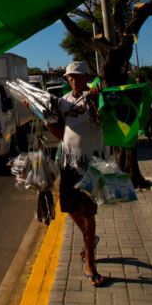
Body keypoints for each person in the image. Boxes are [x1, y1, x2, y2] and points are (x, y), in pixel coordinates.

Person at [46, 61, 109, 287]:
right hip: (68, 164)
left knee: (88, 212)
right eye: (71, 77)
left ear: (86, 78)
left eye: (78, 76)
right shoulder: (63, 102)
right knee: (70, 208)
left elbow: (106, 122)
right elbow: (60, 133)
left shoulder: (96, 98)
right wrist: (44, 117)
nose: (74, 80)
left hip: (91, 164)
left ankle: (90, 264)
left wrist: (96, 101)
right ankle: (89, 239)